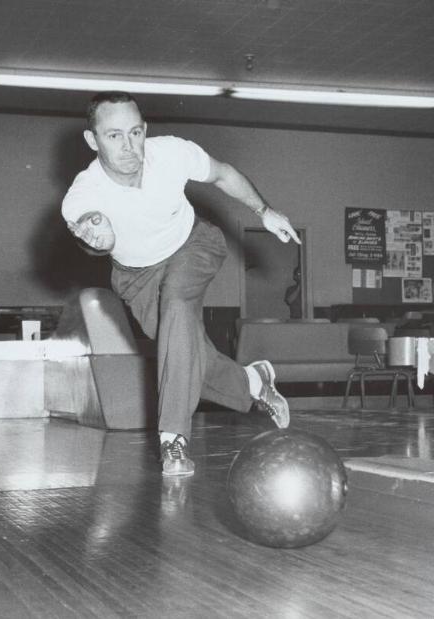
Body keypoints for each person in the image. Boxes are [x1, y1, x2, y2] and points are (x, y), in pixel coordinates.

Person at [62, 91, 301, 477]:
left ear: (145, 130)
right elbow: (87, 235)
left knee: (176, 305)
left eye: (135, 133)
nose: (129, 146)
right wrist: (97, 237)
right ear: (93, 141)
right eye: (114, 136)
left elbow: (223, 173)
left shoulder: (171, 153)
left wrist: (264, 210)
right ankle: (254, 381)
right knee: (185, 357)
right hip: (136, 276)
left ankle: (173, 439)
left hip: (193, 245)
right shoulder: (83, 194)